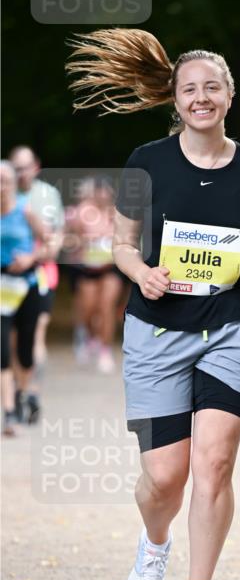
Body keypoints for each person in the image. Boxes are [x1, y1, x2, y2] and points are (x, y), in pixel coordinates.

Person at [66, 29, 240, 580]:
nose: (201, 98)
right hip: (157, 330)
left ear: (228, 95)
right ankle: (154, 541)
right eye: (190, 89)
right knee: (165, 478)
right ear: (175, 99)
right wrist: (141, 271)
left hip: (231, 327)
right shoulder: (147, 161)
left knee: (215, 465)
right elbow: (119, 244)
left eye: (212, 87)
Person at [8, 145, 64, 422]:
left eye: (25, 167)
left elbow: (54, 240)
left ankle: (32, 392)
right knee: (14, 337)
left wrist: (32, 257)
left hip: (41, 270)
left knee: (35, 333)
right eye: (15, 167)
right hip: (9, 274)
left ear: (36, 166)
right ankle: (19, 389)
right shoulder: (5, 191)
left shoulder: (46, 195)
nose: (20, 173)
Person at [1, 161, 49, 435]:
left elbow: (51, 242)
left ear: (13, 183)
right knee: (2, 350)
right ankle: (8, 412)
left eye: (5, 180)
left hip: (27, 285)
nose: (1, 186)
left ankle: (23, 393)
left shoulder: (25, 210)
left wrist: (30, 257)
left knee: (25, 351)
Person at [63, 176, 123, 373]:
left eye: (106, 192)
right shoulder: (81, 212)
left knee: (106, 306)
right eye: (99, 192)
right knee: (88, 309)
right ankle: (90, 336)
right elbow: (70, 240)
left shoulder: (116, 212)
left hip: (110, 267)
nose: (103, 195)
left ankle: (105, 350)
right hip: (86, 267)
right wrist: (85, 241)